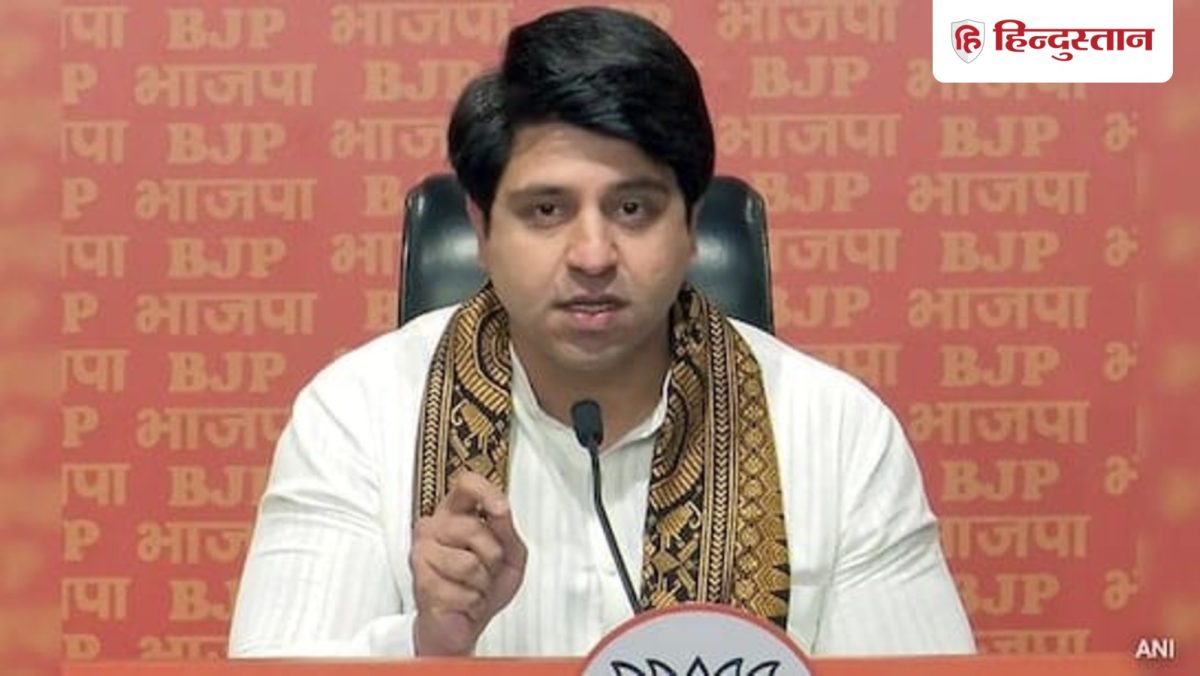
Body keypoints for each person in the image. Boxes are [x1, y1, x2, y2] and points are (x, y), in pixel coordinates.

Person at [228, 6, 975, 659]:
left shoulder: (838, 433)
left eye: (633, 210)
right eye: (547, 211)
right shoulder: (356, 415)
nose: (592, 256)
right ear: (482, 229)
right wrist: (428, 647)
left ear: (692, 226)